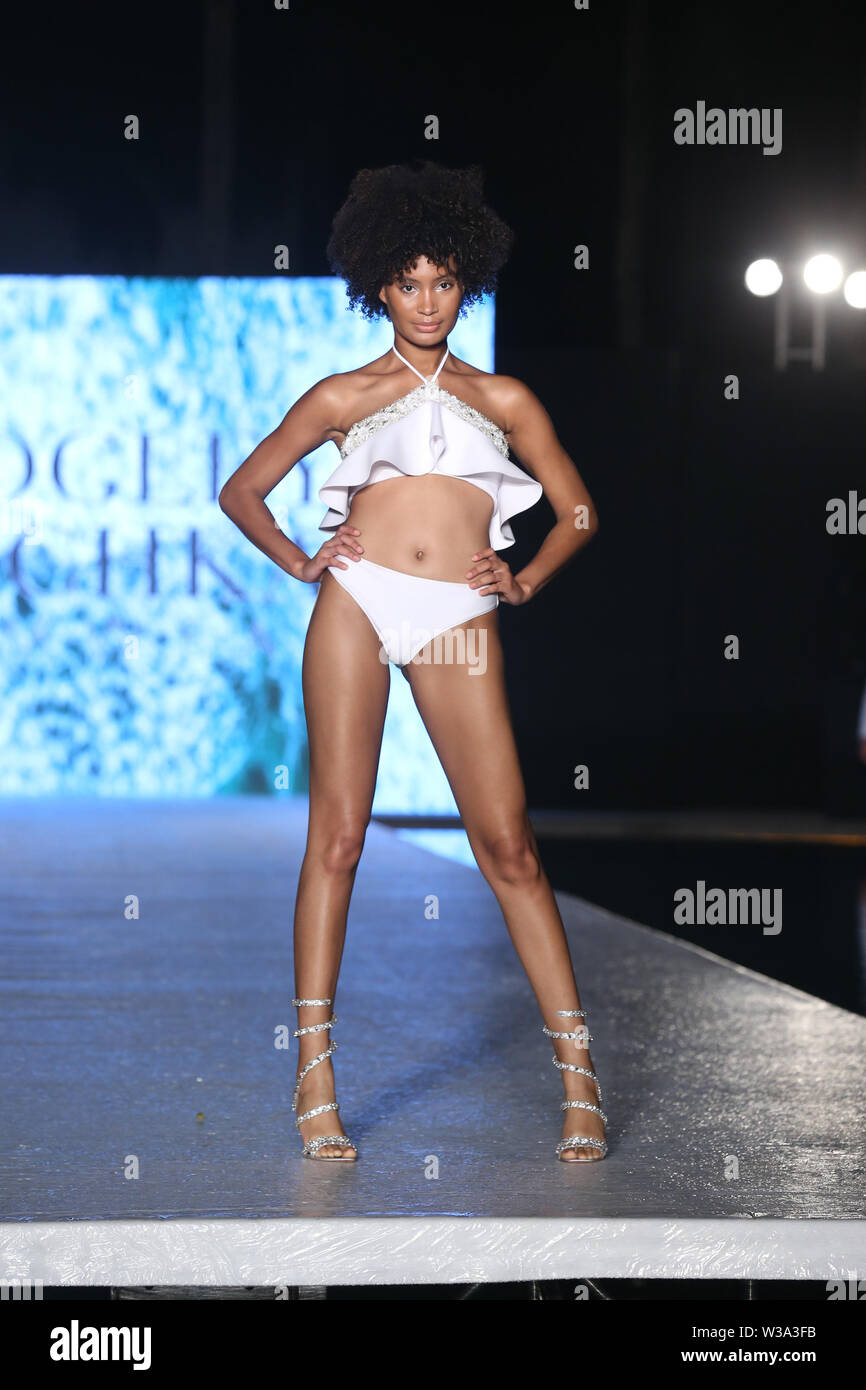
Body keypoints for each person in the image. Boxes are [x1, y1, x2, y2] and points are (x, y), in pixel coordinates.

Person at [218, 161, 606, 1162]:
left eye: (442, 280)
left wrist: (521, 579)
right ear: (376, 287)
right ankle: (314, 1079)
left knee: (507, 845)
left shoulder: (503, 397)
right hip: (357, 602)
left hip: (456, 614)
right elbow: (242, 488)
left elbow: (575, 510)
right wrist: (306, 560)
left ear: (462, 282)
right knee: (337, 838)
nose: (425, 299)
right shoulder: (345, 394)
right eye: (406, 282)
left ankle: (578, 1081)